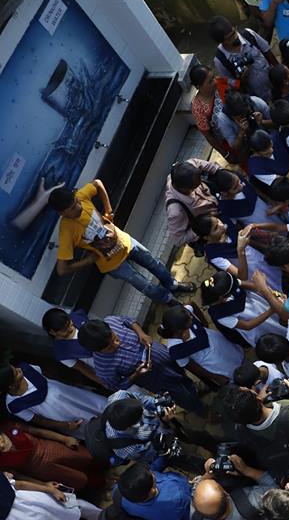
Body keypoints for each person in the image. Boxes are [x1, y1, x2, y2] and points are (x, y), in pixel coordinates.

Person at [48, 183, 194, 303]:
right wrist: (88, 260)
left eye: (76, 202)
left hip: (126, 242)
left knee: (154, 263)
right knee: (144, 285)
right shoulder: (66, 231)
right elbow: (62, 269)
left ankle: (172, 285)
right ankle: (168, 300)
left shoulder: (81, 196)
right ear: (62, 213)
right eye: (73, 208)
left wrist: (108, 209)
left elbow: (97, 184)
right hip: (112, 263)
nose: (79, 207)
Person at [77, 316, 203, 415]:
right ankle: (201, 410)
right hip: (159, 380)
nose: (116, 344)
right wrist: (136, 375)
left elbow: (129, 320)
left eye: (115, 338)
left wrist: (141, 334)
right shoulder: (103, 368)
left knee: (182, 375)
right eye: (109, 347)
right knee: (181, 396)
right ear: (98, 351)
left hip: (164, 355)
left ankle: (193, 389)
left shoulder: (111, 321)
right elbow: (117, 386)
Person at [0, 419, 104, 494]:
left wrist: (64, 439)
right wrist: (44, 484)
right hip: (43, 470)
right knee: (79, 479)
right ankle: (105, 484)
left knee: (87, 457)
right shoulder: (1, 463)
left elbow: (38, 431)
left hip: (51, 448)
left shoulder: (8, 427)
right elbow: (20, 477)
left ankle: (110, 467)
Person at [0, 363, 107, 433]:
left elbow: (49, 376)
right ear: (11, 386)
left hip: (69, 394)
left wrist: (74, 385)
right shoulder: (14, 405)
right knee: (92, 424)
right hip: (63, 415)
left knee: (97, 404)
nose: (19, 369)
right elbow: (40, 420)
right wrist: (66, 425)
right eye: (16, 373)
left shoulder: (27, 369)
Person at [158, 303, 244, 388]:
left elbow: (192, 305)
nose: (192, 317)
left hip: (214, 340)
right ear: (180, 330)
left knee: (232, 353)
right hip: (209, 360)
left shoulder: (184, 314)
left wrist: (204, 323)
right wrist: (215, 377)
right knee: (230, 369)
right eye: (189, 320)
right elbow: (192, 366)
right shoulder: (175, 349)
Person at [190, 456, 276, 520]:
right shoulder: (253, 501)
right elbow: (275, 487)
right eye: (216, 483)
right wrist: (245, 469)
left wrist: (208, 474)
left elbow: (195, 488)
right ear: (227, 494)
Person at [201, 270, 286, 347]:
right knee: (274, 329)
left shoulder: (225, 283)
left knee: (278, 319)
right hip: (256, 323)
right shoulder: (220, 315)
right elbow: (247, 326)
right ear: (222, 297)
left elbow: (246, 284)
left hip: (257, 305)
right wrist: (272, 310)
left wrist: (268, 292)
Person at [209, 16, 275, 102]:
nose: (235, 37)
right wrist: (241, 80)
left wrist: (279, 71)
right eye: (229, 38)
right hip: (257, 98)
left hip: (274, 83)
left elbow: (267, 51)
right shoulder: (220, 60)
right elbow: (230, 87)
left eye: (234, 32)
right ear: (221, 41)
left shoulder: (248, 34)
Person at [41, 308, 103, 389]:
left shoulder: (77, 316)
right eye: (65, 329)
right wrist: (102, 382)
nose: (70, 329)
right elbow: (83, 369)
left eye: (70, 324)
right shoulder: (61, 353)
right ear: (52, 332)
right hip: (102, 365)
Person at [164, 159, 219, 248]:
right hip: (212, 226)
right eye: (195, 186)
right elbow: (179, 240)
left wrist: (219, 172)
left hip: (217, 202)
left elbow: (204, 165)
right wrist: (201, 226)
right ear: (184, 189)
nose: (200, 184)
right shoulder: (176, 211)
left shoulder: (188, 168)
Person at [117, 463, 192, 520]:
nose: (153, 473)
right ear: (152, 490)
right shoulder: (179, 497)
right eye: (152, 474)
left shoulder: (124, 498)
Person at [189, 65, 236, 161]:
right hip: (228, 140)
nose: (215, 81)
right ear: (198, 86)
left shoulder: (219, 82)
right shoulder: (198, 108)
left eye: (213, 77)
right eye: (210, 81)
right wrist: (225, 154)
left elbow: (236, 89)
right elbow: (209, 136)